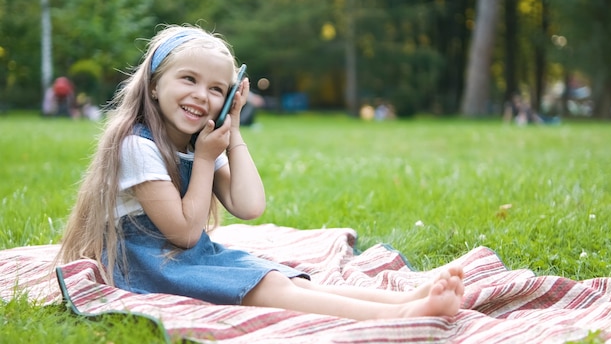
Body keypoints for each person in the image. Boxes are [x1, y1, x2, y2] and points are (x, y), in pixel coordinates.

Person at [56, 24, 464, 321]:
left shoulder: (204, 141)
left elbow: (248, 205)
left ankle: (401, 301)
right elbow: (183, 232)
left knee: (280, 279)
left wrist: (231, 132)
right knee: (267, 289)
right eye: (189, 79)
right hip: (143, 262)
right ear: (155, 86)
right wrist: (203, 161)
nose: (202, 95)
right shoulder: (136, 145)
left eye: (218, 89)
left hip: (183, 254)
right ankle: (399, 316)